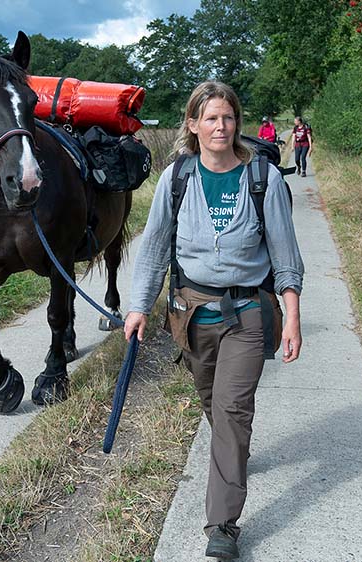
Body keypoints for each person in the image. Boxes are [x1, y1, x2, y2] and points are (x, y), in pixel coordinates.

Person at [124, 81, 304, 560]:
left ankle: (222, 524)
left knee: (231, 410)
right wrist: (139, 306)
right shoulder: (176, 178)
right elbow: (154, 248)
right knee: (212, 401)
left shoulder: (262, 178)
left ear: (237, 122)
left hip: (248, 313)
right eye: (210, 118)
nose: (220, 126)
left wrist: (291, 317)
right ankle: (233, 450)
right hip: (192, 316)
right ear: (193, 124)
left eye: (227, 117)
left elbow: (286, 256)